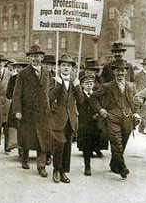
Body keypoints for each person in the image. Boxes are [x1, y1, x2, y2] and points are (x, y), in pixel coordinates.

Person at [89, 59, 140, 179]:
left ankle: (114, 163)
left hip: (127, 117)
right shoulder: (107, 86)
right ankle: (122, 167)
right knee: (116, 142)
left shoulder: (131, 86)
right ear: (114, 72)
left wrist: (136, 113)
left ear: (126, 72)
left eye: (123, 71)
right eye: (118, 71)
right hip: (112, 117)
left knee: (122, 142)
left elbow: (136, 101)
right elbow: (93, 98)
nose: (120, 73)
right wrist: (101, 110)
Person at [12, 45, 52, 178]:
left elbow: (49, 91)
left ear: (42, 57)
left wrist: (50, 106)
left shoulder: (47, 72)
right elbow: (17, 93)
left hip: (43, 111)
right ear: (29, 58)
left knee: (43, 138)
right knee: (27, 137)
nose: (36, 59)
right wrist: (17, 110)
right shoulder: (23, 73)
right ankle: (24, 158)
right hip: (27, 110)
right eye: (33, 56)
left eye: (38, 56)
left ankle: (41, 166)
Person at [49, 54, 83, 183]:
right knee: (59, 144)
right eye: (63, 65)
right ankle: (56, 169)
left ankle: (64, 171)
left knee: (67, 145)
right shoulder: (54, 80)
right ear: (59, 67)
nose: (66, 67)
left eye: (68, 65)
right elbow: (49, 98)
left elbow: (81, 100)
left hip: (71, 119)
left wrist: (78, 86)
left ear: (72, 68)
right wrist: (58, 85)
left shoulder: (75, 81)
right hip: (58, 118)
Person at [76, 75, 98, 176]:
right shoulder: (80, 96)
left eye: (91, 83)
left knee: (93, 143)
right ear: (82, 85)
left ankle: (90, 159)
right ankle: (87, 166)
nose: (89, 85)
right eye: (87, 83)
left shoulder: (96, 95)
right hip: (83, 123)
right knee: (86, 145)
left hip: (95, 124)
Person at [5, 58, 28, 153]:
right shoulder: (13, 78)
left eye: (21, 68)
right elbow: (8, 94)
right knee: (12, 125)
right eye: (17, 67)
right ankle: (9, 145)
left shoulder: (28, 79)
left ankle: (22, 149)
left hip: (26, 106)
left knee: (24, 128)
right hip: (15, 106)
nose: (19, 70)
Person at [135, 58, 146, 135]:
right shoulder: (138, 75)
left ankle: (141, 128)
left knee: (145, 113)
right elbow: (135, 86)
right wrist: (138, 96)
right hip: (141, 96)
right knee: (144, 113)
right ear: (144, 66)